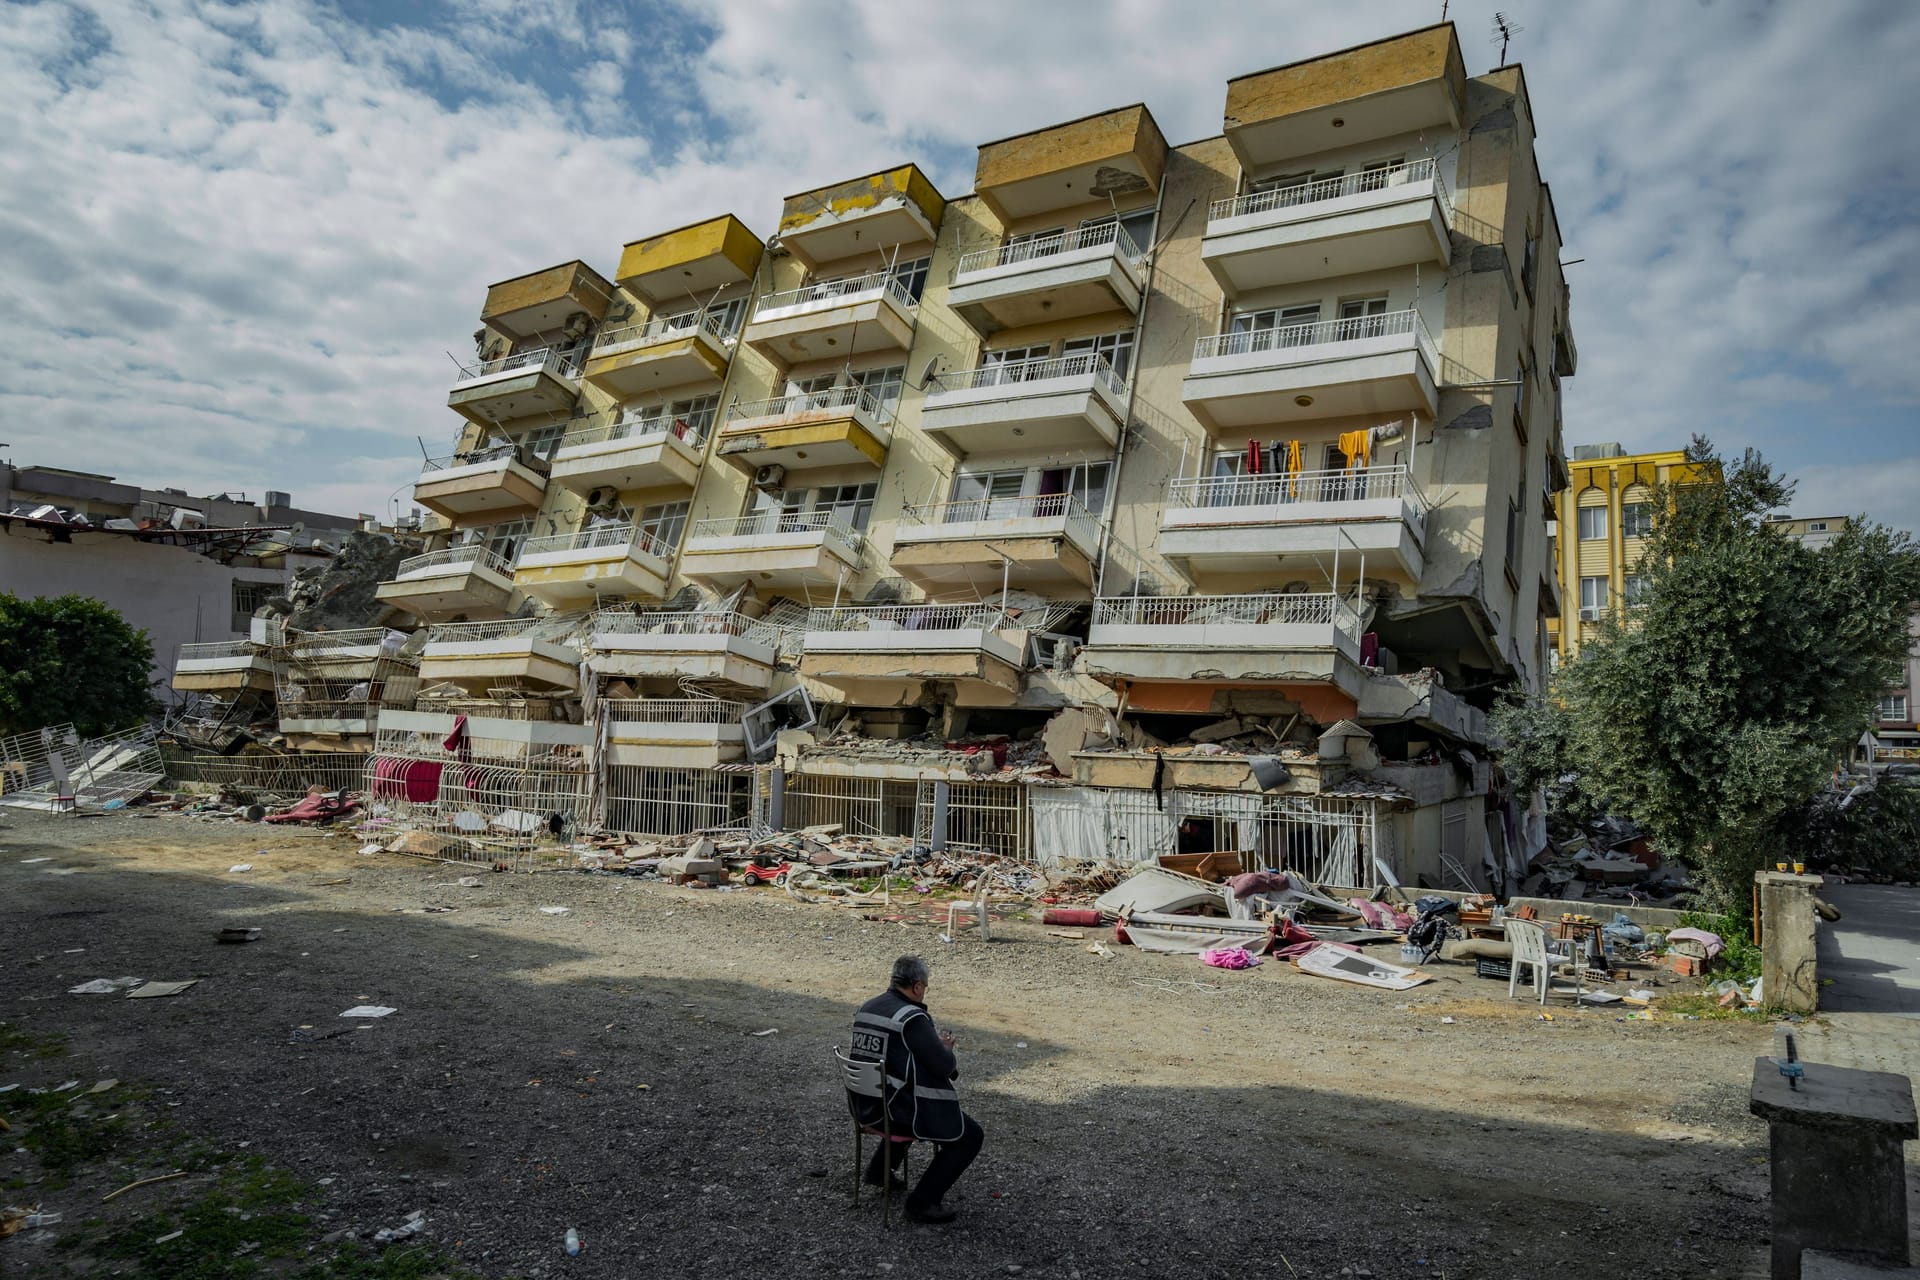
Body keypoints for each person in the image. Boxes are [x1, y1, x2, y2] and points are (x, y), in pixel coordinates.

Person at [848, 955, 984, 1224]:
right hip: (893, 1112)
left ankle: (879, 1171)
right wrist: (945, 1049)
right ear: (918, 987)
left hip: (865, 1105)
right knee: (970, 1136)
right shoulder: (911, 1018)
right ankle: (921, 1202)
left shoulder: (868, 1006)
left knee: (900, 1093)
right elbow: (943, 1067)